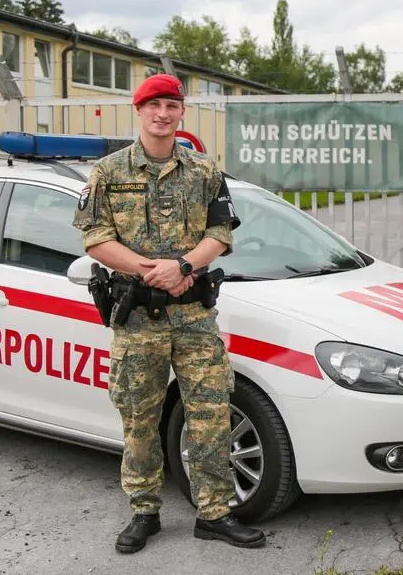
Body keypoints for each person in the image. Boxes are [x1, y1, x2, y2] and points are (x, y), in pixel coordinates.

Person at [72, 73, 265, 554]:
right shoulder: (108, 172)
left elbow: (222, 234)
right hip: (137, 320)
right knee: (140, 417)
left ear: (181, 114)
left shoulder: (204, 171)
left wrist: (183, 265)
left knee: (210, 414)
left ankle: (215, 514)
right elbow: (94, 238)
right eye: (154, 105)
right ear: (139, 111)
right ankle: (144, 512)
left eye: (172, 106)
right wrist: (151, 271)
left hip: (195, 316)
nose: (163, 114)